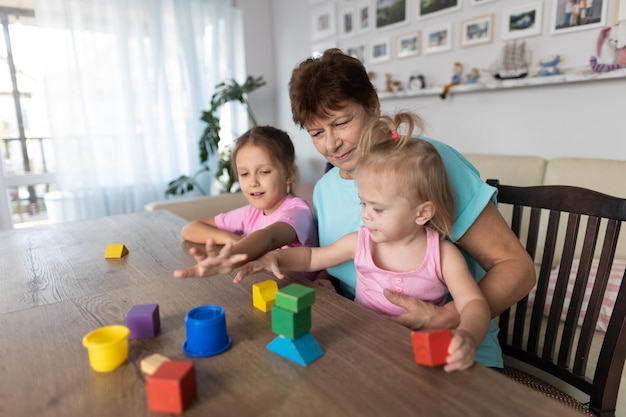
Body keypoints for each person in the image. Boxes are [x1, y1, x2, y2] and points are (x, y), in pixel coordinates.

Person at [285, 48, 535, 369]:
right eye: (317, 132)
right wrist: (321, 281)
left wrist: (445, 317)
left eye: (342, 122)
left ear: (372, 104)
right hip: (368, 347)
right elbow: (334, 263)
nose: (331, 144)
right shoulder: (325, 189)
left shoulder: (428, 165)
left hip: (450, 352)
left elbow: (518, 268)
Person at [236, 112, 491, 372]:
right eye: (363, 202)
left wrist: (469, 336)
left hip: (417, 357)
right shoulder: (361, 241)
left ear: (422, 213)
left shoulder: (443, 255)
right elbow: (312, 257)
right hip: (362, 348)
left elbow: (472, 303)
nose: (365, 214)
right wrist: (275, 258)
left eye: (378, 208)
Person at [173, 125, 318, 278]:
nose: (253, 182)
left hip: (304, 294)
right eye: (244, 174)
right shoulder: (250, 212)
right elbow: (189, 229)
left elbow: (269, 237)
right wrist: (231, 240)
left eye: (264, 172)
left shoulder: (297, 210)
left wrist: (230, 256)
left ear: (289, 175)